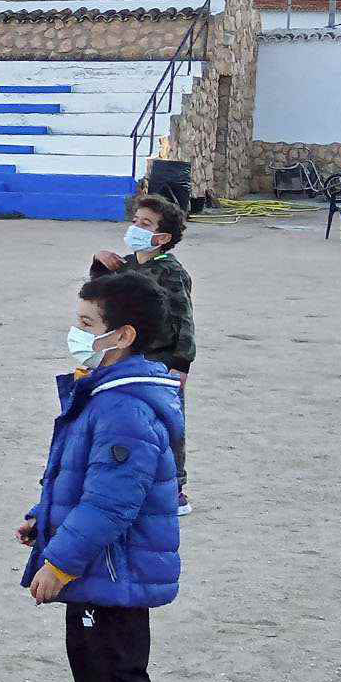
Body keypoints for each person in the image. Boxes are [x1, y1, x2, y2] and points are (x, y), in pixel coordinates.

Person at [18, 268, 195, 682]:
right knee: (88, 659)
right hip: (99, 565)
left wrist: (59, 562)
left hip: (113, 567)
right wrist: (40, 520)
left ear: (123, 336)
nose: (76, 334)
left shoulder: (124, 406)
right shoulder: (100, 392)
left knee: (118, 672)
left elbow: (111, 505)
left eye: (86, 325)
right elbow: (80, 480)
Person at [89, 194, 196, 515]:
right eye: (135, 221)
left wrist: (181, 364)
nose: (135, 227)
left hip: (161, 363)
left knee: (166, 422)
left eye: (145, 224)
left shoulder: (171, 273)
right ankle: (128, 480)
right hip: (128, 359)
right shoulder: (129, 265)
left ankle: (175, 486)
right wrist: (99, 264)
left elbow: (184, 320)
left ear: (162, 238)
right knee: (127, 420)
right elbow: (101, 296)